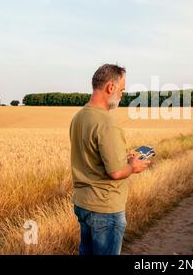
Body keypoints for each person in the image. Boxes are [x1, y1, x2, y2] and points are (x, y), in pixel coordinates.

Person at [69, 63, 150, 255]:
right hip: (105, 208)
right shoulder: (107, 123)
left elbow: (93, 156)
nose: (122, 95)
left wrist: (124, 158)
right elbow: (115, 172)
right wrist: (134, 166)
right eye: (122, 90)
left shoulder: (79, 117)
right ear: (110, 87)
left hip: (83, 204)